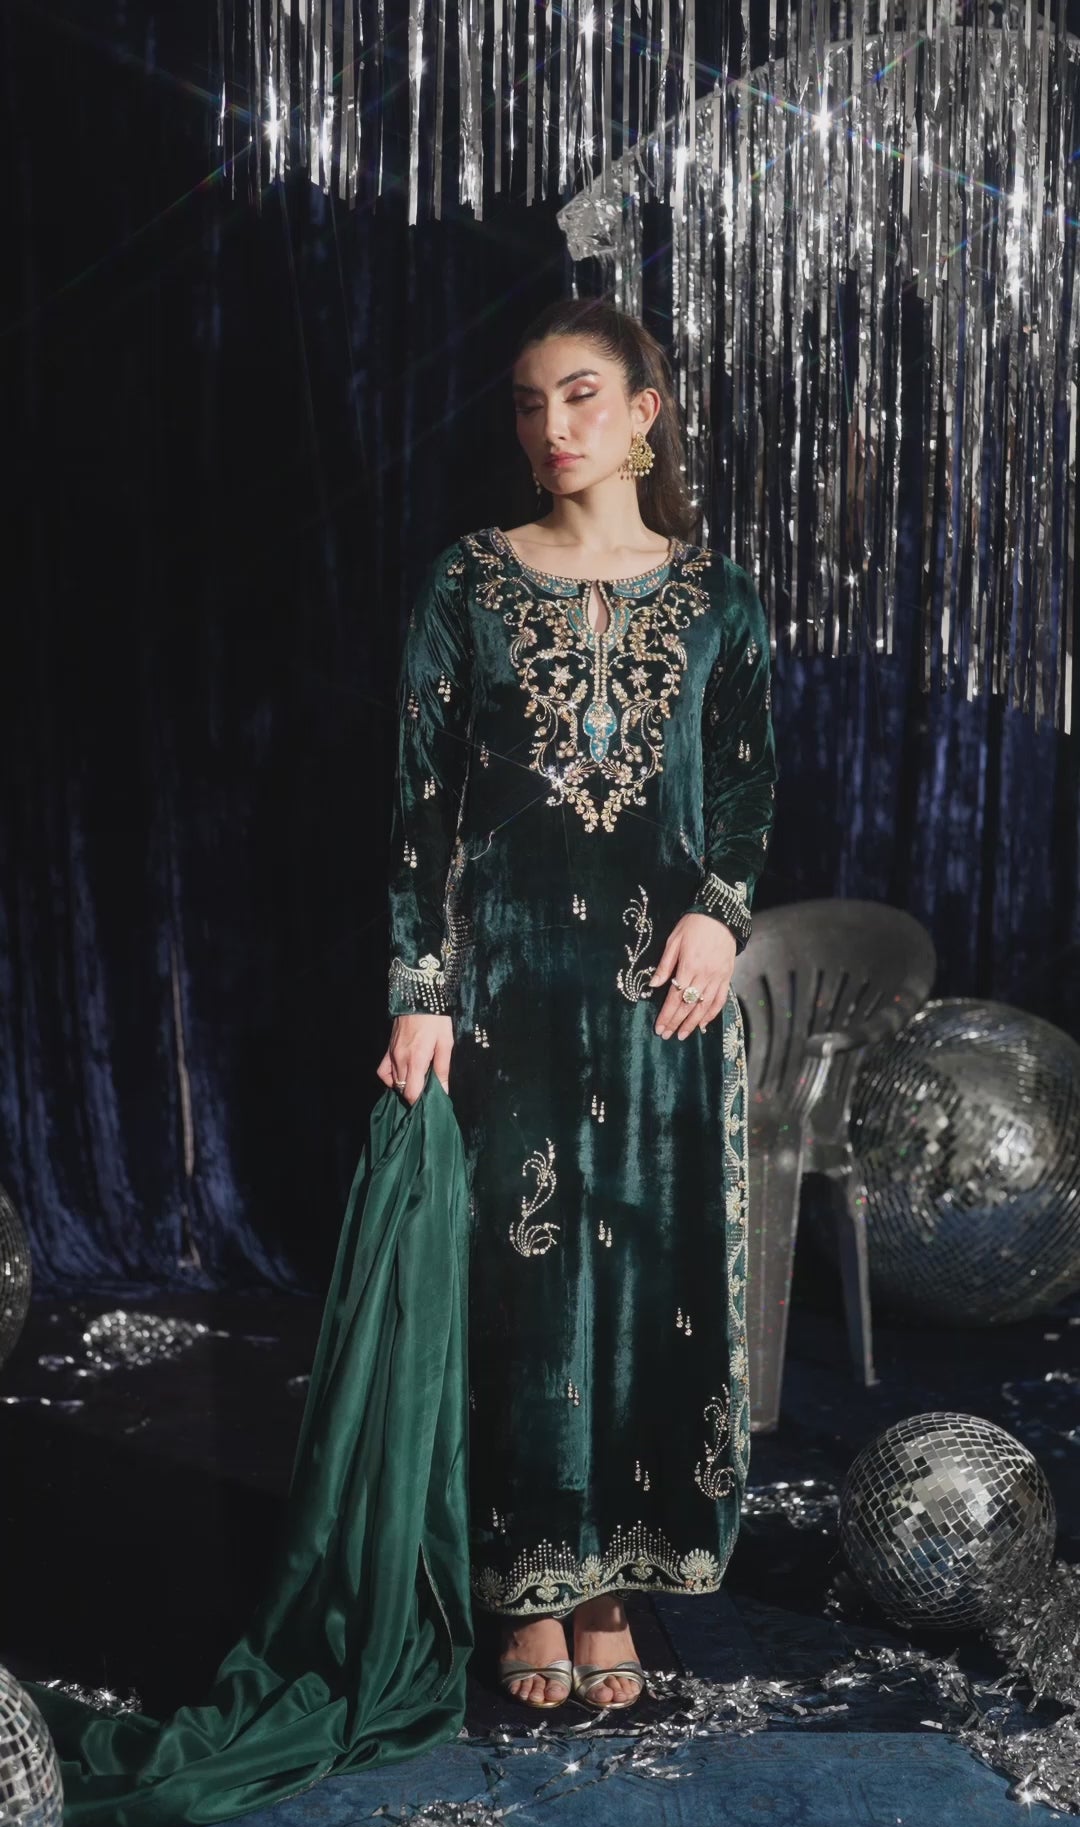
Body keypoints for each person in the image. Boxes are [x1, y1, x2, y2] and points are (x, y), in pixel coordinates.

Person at [376, 296, 778, 1713]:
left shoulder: (719, 599)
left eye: (583, 395)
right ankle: (529, 1585)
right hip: (506, 998)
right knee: (525, 1289)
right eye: (530, 401)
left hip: (660, 1002)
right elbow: (420, 808)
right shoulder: (469, 584)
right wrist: (420, 991)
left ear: (645, 410)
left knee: (650, 1284)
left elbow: (746, 789)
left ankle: (615, 1586)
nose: (553, 427)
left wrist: (721, 916)